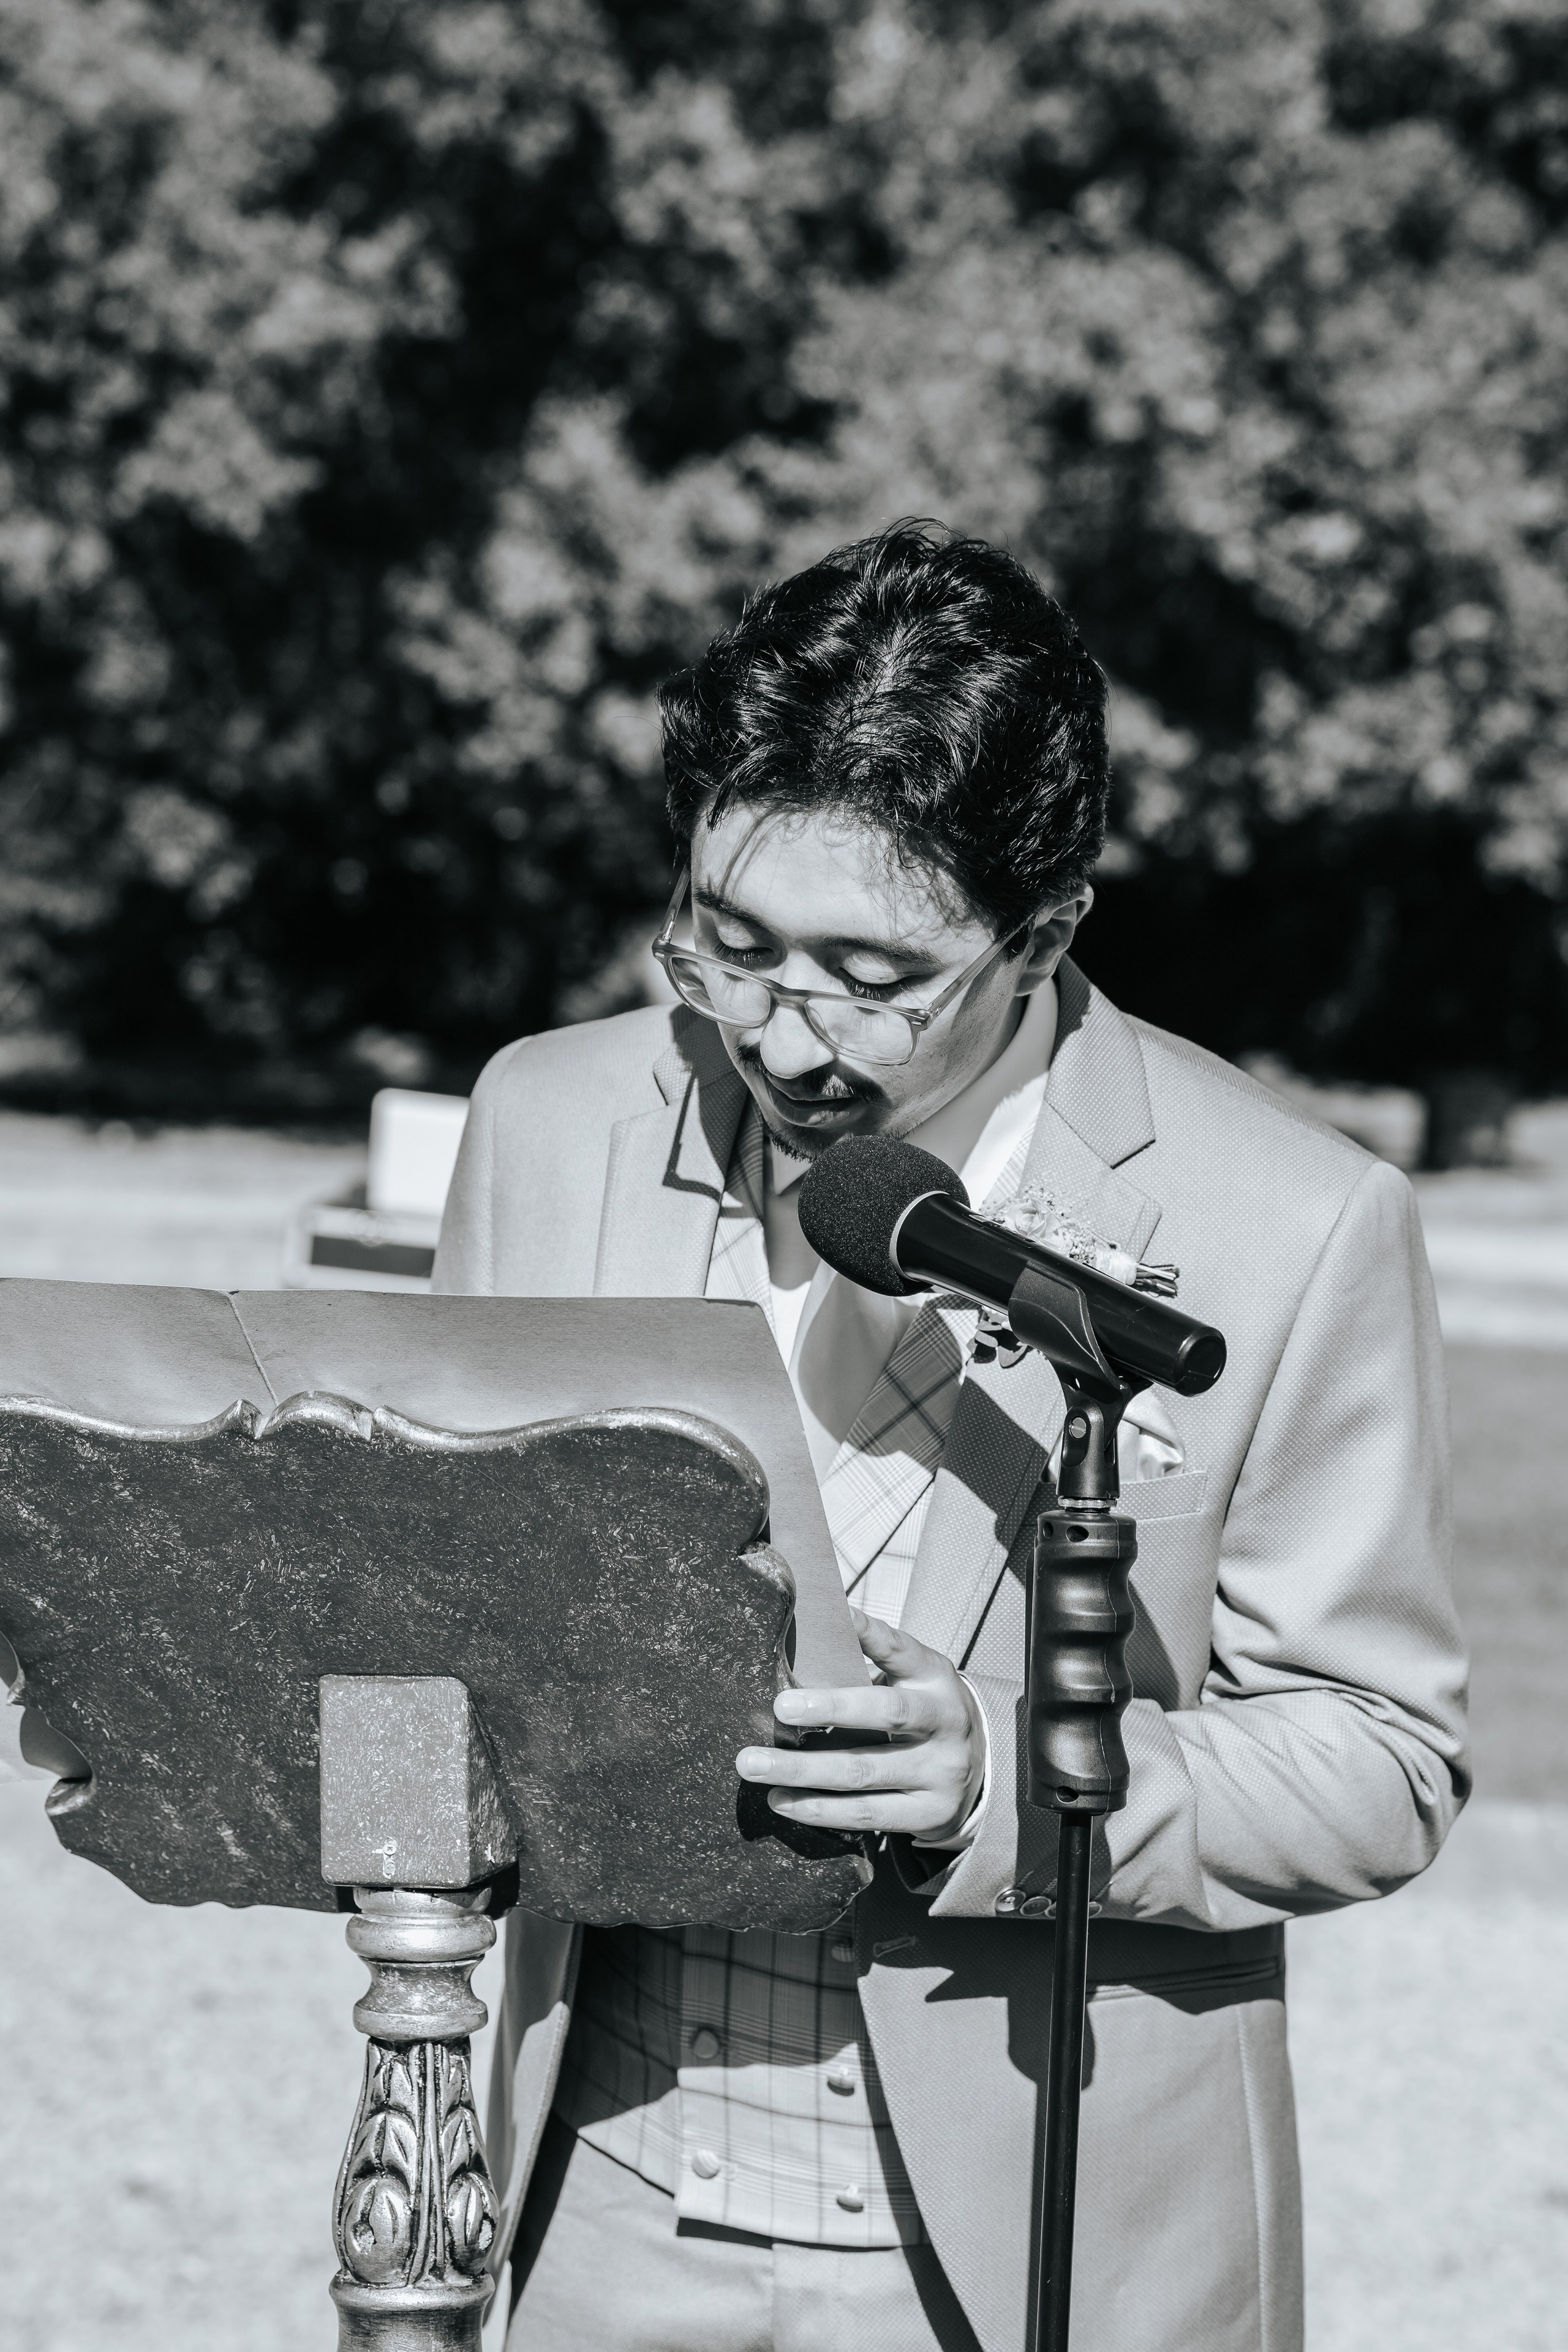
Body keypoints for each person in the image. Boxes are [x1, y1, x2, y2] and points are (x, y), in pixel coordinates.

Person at [432, 522, 1468, 2352]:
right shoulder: (546, 1119)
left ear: (1047, 931)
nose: (778, 1033)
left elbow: (1380, 1756)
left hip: (1039, 2233)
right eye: (728, 946)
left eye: (868, 975)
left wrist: (1015, 1780)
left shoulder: (1296, 1223)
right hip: (590, 2185)